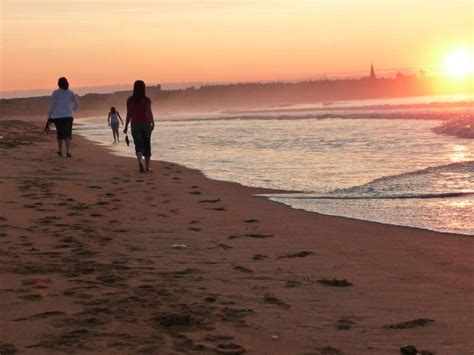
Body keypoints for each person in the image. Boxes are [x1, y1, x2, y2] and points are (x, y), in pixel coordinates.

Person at [123, 80, 155, 172]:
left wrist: (126, 126)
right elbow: (149, 112)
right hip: (145, 124)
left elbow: (128, 114)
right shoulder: (146, 100)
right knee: (147, 145)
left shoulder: (130, 100)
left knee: (138, 145)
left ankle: (140, 162)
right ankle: (147, 168)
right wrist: (153, 122)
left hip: (135, 125)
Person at [47, 77, 79, 157]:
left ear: (58, 84)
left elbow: (52, 106)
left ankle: (60, 150)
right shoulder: (70, 92)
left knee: (60, 134)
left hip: (58, 116)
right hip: (68, 116)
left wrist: (49, 116)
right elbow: (77, 104)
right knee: (68, 134)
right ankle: (68, 152)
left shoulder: (55, 93)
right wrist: (72, 110)